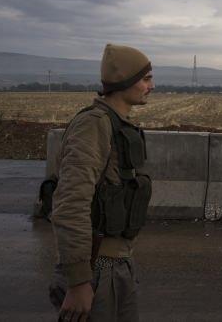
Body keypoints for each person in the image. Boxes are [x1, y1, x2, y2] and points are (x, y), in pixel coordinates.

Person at [51, 44, 155, 321]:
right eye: (145, 79)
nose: (151, 86)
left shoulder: (115, 123)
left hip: (118, 262)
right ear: (125, 81)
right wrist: (78, 281)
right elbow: (71, 203)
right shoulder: (93, 124)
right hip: (96, 267)